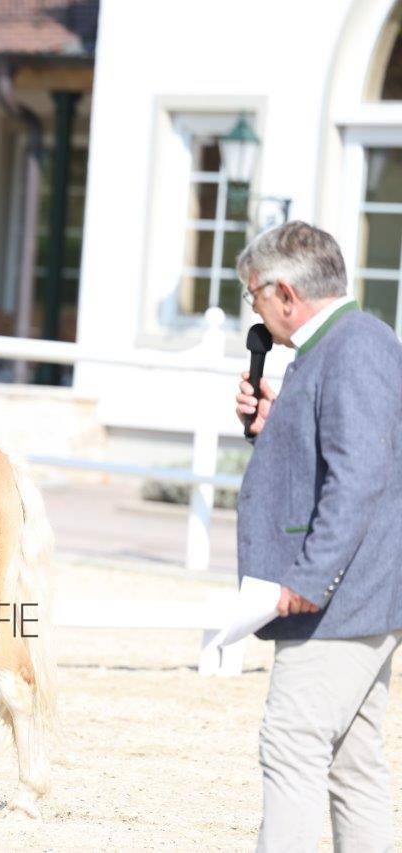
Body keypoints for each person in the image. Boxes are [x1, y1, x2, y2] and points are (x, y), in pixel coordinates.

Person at [233, 221, 402, 852]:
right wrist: (273, 424)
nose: (254, 310)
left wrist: (310, 578)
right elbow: (345, 455)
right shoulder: (344, 343)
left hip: (341, 597)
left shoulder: (354, 346)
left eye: (254, 295)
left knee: (291, 745)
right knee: (353, 763)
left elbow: (360, 477)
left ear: (285, 292)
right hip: (359, 592)